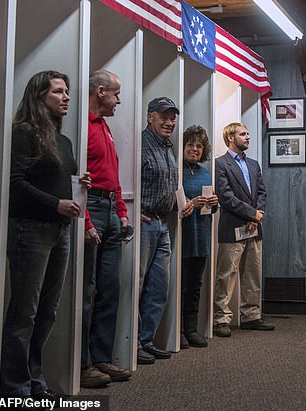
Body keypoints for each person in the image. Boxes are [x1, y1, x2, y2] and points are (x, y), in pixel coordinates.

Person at [1, 70, 90, 400]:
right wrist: (56, 204)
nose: (66, 97)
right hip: (30, 229)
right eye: (58, 92)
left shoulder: (63, 140)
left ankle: (34, 381)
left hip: (59, 231)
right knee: (24, 313)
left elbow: (63, 178)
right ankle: (15, 389)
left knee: (47, 313)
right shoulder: (23, 133)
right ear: (39, 97)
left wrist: (82, 186)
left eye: (67, 91)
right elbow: (15, 184)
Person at [80, 70, 132, 387]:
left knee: (110, 289)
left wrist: (122, 213)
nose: (118, 99)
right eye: (115, 93)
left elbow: (112, 173)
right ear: (101, 92)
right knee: (87, 290)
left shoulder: (104, 127)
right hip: (93, 209)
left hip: (111, 210)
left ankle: (101, 357)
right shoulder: (83, 126)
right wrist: (86, 220)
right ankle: (82, 363)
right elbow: (78, 180)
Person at [214, 122, 274, 337]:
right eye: (243, 134)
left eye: (248, 133)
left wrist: (256, 216)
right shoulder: (220, 164)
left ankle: (251, 316)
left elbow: (262, 193)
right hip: (232, 228)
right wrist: (251, 214)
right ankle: (221, 318)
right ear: (231, 138)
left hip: (253, 228)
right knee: (227, 275)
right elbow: (225, 196)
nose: (247, 137)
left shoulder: (253, 164)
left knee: (252, 274)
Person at [138, 97, 179, 363]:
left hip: (163, 223)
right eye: (164, 116)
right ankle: (131, 344)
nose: (169, 122)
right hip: (144, 223)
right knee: (138, 284)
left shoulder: (168, 147)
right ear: (150, 117)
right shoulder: (141, 144)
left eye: (172, 117)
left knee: (158, 287)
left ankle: (146, 340)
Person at [180, 125, 218, 348]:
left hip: (201, 236)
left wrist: (214, 204)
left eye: (199, 146)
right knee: (181, 285)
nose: (195, 149)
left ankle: (192, 329)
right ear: (183, 147)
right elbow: (177, 203)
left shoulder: (205, 172)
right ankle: (179, 332)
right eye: (190, 145)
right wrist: (190, 204)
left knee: (195, 285)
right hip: (183, 234)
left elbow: (209, 207)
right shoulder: (178, 170)